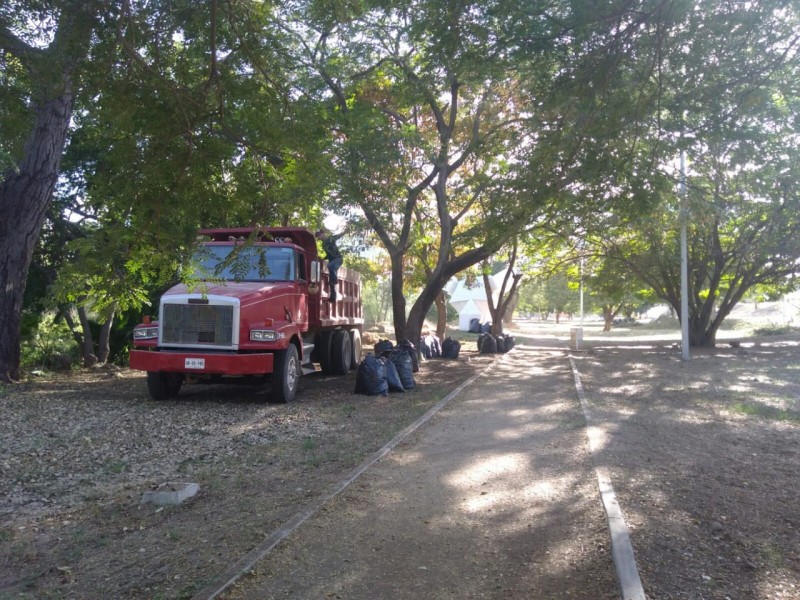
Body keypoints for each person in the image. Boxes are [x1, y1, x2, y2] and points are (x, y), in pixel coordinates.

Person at [315, 228, 344, 301]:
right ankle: (333, 297)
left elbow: (337, 236)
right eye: (318, 236)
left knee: (330, 266)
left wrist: (344, 232)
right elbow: (329, 254)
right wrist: (324, 258)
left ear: (323, 234)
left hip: (338, 259)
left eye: (320, 235)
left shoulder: (330, 239)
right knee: (331, 280)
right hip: (333, 260)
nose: (319, 237)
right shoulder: (323, 245)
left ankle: (335, 280)